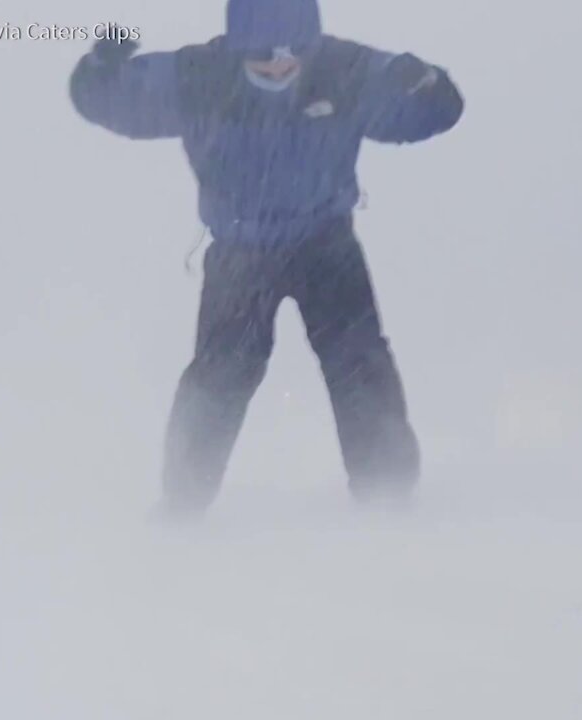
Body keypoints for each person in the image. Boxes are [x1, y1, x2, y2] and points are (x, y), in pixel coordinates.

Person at [70, 0, 463, 515]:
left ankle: (387, 494)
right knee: (219, 376)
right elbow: (111, 101)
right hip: (241, 254)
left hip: (326, 245)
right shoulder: (200, 77)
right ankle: (183, 503)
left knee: (359, 360)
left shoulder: (344, 71)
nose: (278, 70)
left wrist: (431, 85)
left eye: (291, 60)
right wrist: (101, 65)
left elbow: (427, 112)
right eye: (262, 64)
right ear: (238, 51)